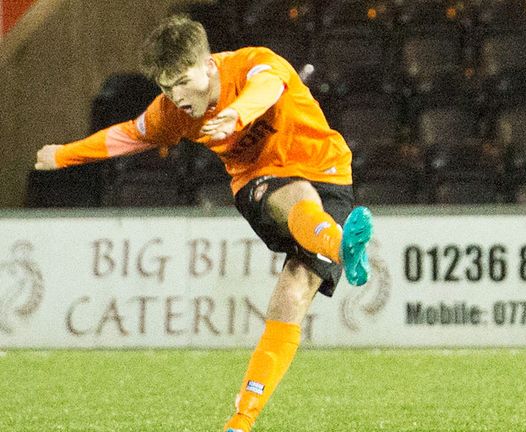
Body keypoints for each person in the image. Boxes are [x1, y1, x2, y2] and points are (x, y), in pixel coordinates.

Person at [34, 15, 373, 432]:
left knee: (292, 293)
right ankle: (340, 246)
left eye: (180, 81)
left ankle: (241, 420)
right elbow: (126, 135)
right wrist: (65, 155)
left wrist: (236, 115)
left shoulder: (253, 64)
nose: (175, 96)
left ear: (208, 65)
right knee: (294, 194)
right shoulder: (173, 112)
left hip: (331, 172)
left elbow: (268, 86)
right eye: (164, 85)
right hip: (258, 182)